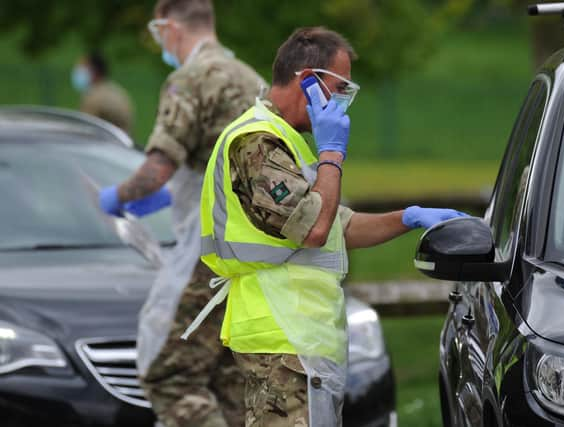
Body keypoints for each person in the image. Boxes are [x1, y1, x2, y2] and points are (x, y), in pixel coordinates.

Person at [187, 27, 467, 427]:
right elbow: (313, 229)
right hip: (282, 340)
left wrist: (408, 218)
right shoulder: (255, 144)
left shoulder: (288, 142)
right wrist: (332, 155)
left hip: (301, 342)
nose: (341, 103)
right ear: (307, 82)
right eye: (339, 89)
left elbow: (338, 226)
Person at [97, 0, 266, 426]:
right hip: (258, 256)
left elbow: (158, 166)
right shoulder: (253, 81)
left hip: (209, 252)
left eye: (158, 32)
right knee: (231, 380)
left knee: (169, 377)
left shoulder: (190, 80)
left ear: (170, 27)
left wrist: (117, 196)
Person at [71, 52, 134, 134]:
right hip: (119, 143)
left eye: (83, 67)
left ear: (93, 70)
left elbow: (84, 129)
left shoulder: (95, 96)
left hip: (105, 144)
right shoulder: (115, 90)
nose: (78, 70)